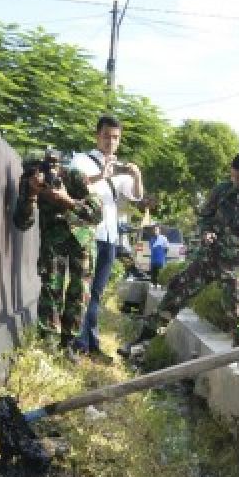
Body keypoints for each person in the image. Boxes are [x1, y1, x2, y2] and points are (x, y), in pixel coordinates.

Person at [120, 153, 239, 379]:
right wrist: (205, 232)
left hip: (233, 265)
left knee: (238, 313)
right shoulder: (223, 191)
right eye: (233, 178)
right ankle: (141, 342)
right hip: (208, 258)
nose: (236, 183)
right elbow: (204, 216)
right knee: (175, 293)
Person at [11, 149, 104, 352]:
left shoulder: (73, 176)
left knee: (80, 290)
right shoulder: (28, 183)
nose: (38, 176)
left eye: (41, 170)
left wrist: (67, 200)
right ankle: (49, 342)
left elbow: (97, 213)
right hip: (53, 237)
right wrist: (30, 197)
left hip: (82, 236)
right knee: (51, 286)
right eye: (31, 172)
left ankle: (69, 342)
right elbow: (22, 222)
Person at [73, 115, 144, 363]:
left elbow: (136, 196)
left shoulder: (119, 168)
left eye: (115, 138)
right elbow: (77, 186)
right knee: (82, 291)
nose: (110, 142)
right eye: (106, 136)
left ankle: (90, 343)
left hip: (109, 238)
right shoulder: (82, 160)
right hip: (87, 235)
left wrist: (135, 176)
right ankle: (81, 343)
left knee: (96, 294)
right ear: (97, 136)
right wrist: (102, 174)